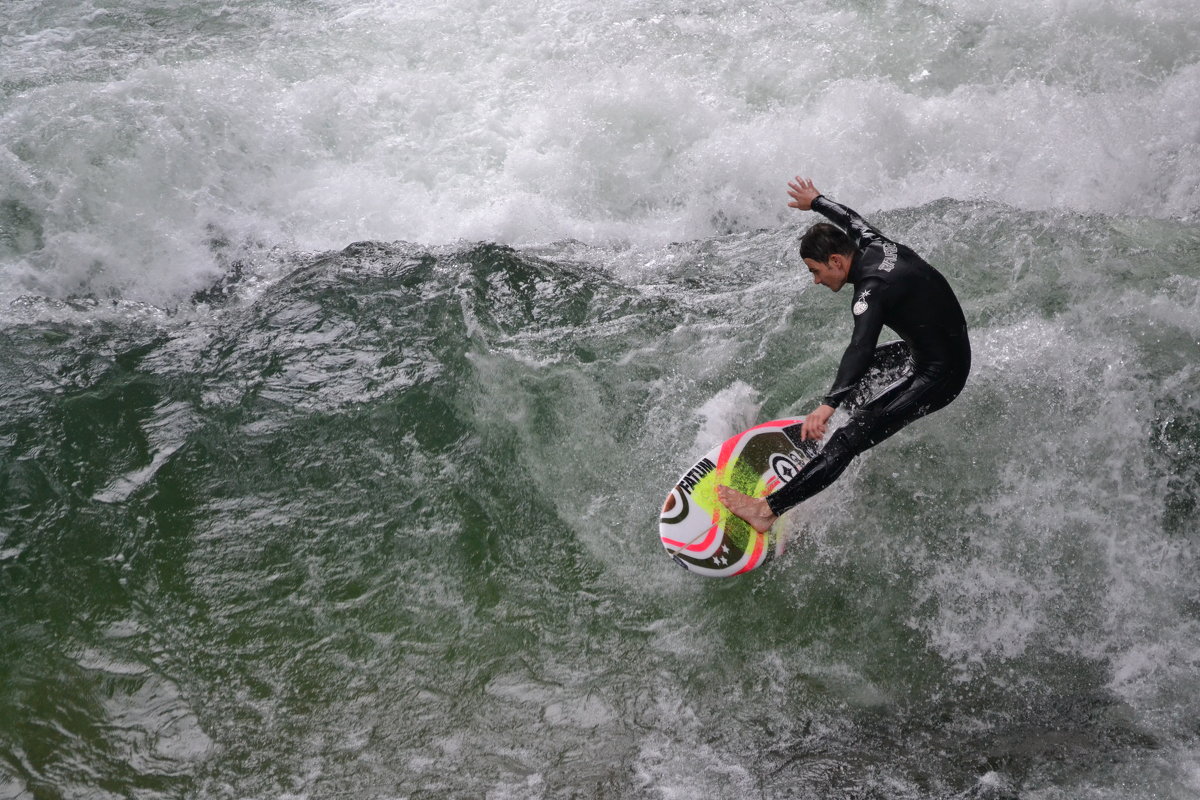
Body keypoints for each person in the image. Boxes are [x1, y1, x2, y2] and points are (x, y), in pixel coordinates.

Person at [716, 176, 971, 533]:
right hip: (933, 348)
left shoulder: (871, 290)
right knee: (862, 383)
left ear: (836, 261)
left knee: (848, 436)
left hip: (941, 375)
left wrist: (828, 404)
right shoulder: (872, 243)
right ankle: (838, 442)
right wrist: (817, 201)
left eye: (815, 271)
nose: (816, 280)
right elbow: (851, 219)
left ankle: (767, 511)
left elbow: (860, 346)